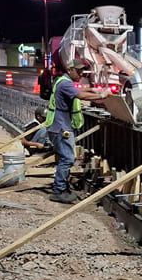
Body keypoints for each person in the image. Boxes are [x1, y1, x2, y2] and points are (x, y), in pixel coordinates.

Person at [45, 58, 110, 204]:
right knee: (67, 158)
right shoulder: (65, 84)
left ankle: (62, 187)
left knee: (65, 158)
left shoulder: (62, 81)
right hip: (61, 127)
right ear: (70, 70)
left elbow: (78, 90)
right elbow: (80, 95)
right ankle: (58, 191)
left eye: (82, 70)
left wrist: (91, 89)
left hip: (58, 125)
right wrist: (100, 95)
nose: (81, 73)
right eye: (78, 70)